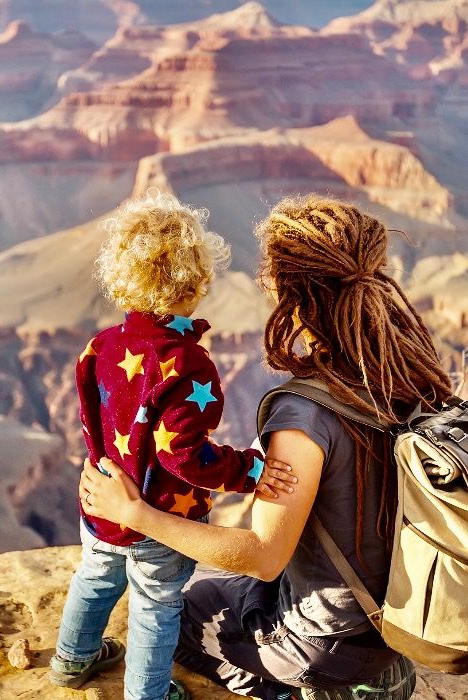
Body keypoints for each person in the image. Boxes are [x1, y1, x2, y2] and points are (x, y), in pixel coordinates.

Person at [81, 195, 454, 699]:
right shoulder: (406, 372)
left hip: (327, 644)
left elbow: (262, 557)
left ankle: (302, 690)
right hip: (402, 619)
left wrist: (137, 515)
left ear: (290, 293)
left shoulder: (304, 418)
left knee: (183, 607)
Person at [51, 192, 296, 700]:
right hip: (160, 513)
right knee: (156, 605)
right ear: (198, 280)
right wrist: (250, 471)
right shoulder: (187, 365)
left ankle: (71, 662)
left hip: (101, 497)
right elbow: (182, 456)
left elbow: (91, 419)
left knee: (95, 577)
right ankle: (148, 694)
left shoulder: (101, 345)